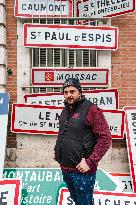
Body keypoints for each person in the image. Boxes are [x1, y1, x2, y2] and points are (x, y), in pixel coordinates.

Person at [54, 78, 111, 205]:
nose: (69, 95)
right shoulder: (65, 111)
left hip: (83, 171)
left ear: (80, 92)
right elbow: (65, 134)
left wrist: (90, 162)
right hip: (66, 169)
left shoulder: (91, 110)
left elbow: (105, 138)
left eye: (72, 91)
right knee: (77, 201)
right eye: (66, 92)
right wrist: (58, 151)